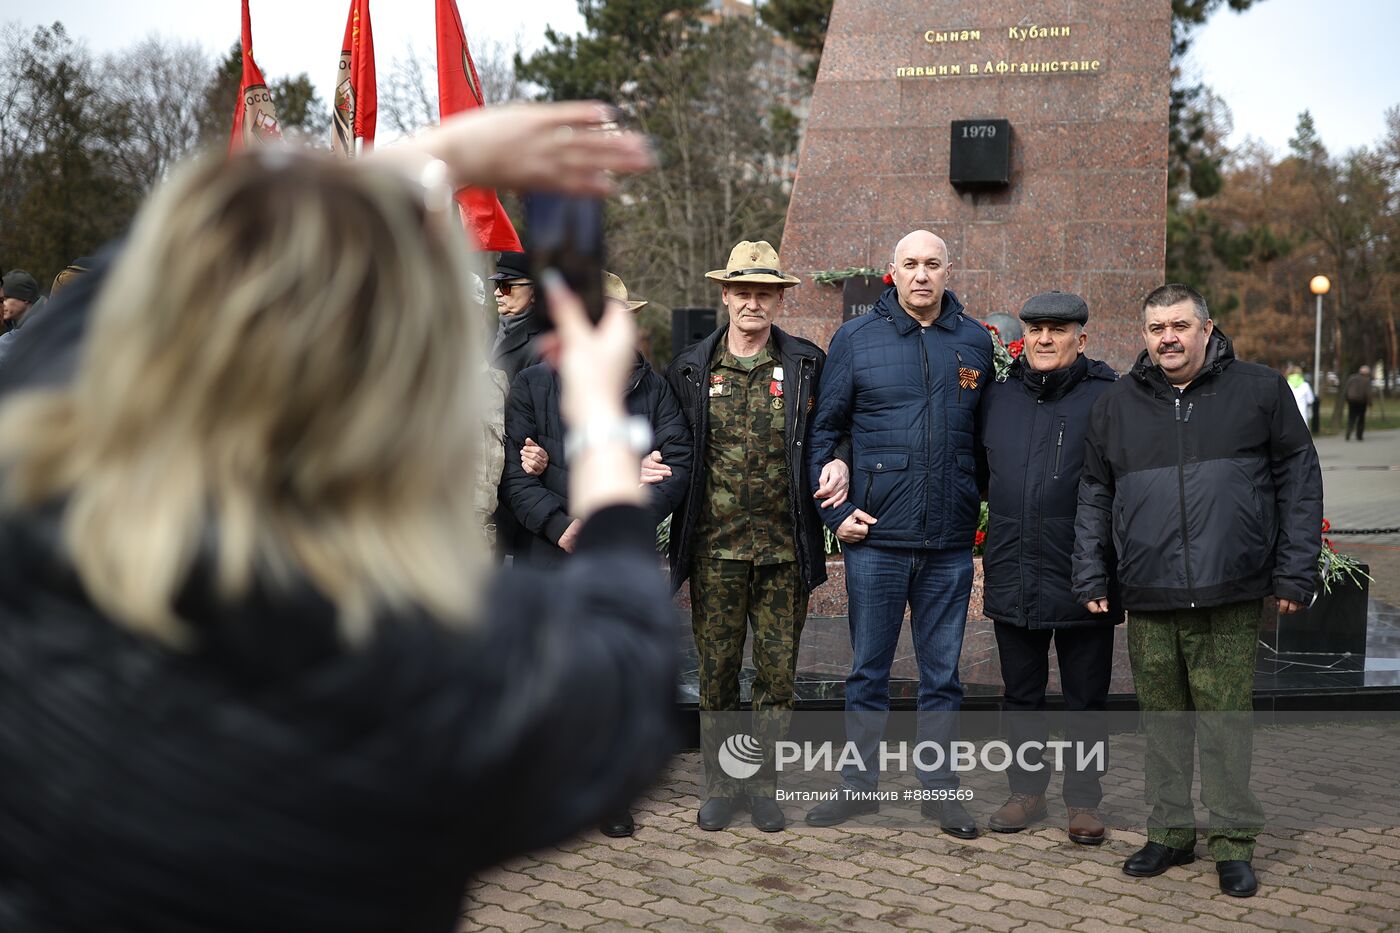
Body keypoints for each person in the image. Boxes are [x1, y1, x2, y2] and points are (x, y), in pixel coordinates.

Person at [0, 101, 679, 933]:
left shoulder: (33, 515)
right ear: (419, 398)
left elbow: (134, 284)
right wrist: (602, 421)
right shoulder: (416, 665)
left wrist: (421, 158)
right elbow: (628, 666)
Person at [1073, 283, 1322, 898]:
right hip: (1150, 590)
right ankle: (1169, 835)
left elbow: (1300, 477)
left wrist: (1295, 570)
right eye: (1157, 328)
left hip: (1229, 591)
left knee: (1224, 723)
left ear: (1207, 329)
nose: (1168, 339)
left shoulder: (1259, 391)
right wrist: (1091, 572)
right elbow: (1094, 493)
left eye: (1180, 326)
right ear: (1144, 336)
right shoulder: (1117, 403)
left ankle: (1234, 843)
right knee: (1162, 724)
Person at [804, 230, 993, 838]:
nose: (921, 275)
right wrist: (836, 516)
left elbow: (986, 439)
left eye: (931, 264)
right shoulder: (857, 339)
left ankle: (939, 791)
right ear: (892, 271)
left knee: (942, 676)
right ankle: (858, 786)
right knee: (869, 672)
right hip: (877, 539)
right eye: (910, 264)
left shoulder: (973, 342)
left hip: (947, 543)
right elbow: (823, 435)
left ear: (947, 270)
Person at [666, 240, 849, 833]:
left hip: (783, 549)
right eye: (742, 291)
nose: (752, 302)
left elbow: (835, 429)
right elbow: (669, 442)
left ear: (778, 298)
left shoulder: (805, 364)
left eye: (763, 292)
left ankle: (763, 785)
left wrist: (840, 459)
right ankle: (721, 787)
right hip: (715, 550)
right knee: (717, 675)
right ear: (725, 295)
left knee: (776, 677)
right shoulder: (692, 367)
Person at [977, 291, 1121, 845]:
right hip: (1015, 564)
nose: (1043, 338)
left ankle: (1084, 801)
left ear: (1080, 339)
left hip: (1084, 573)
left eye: (1057, 330)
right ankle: (1025, 793)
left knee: (1086, 697)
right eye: (1035, 328)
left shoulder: (1107, 397)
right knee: (1022, 693)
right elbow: (981, 470)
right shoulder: (999, 397)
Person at [489, 251, 545, 383]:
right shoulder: (492, 330)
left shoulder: (542, 344)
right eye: (497, 284)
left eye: (506, 286)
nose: (497, 293)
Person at [1344, 365, 1373, 441]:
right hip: (1361, 401)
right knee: (1361, 418)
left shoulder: (1352, 378)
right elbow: (1368, 393)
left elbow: (1346, 388)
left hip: (1351, 400)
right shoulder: (1366, 380)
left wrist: (1346, 397)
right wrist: (1370, 403)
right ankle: (1359, 435)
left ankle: (1349, 431)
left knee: (1351, 417)